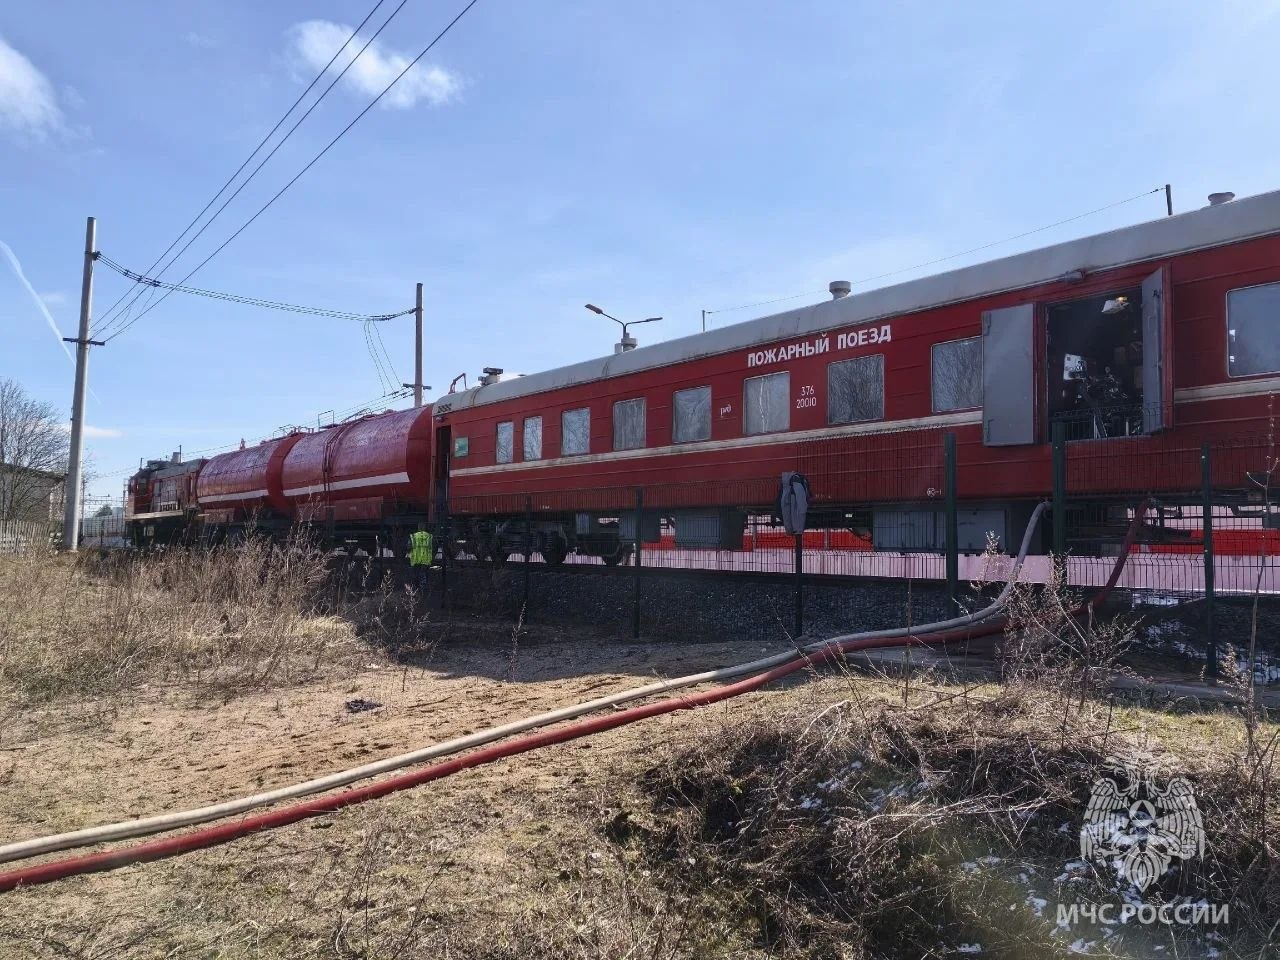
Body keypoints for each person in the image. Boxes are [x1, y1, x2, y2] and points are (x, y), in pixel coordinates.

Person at [408, 523, 435, 594]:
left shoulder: (413, 536)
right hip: (426, 560)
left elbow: (408, 547)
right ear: (425, 528)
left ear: (418, 528)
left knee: (415, 575)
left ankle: (415, 591)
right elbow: (434, 548)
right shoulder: (429, 536)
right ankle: (423, 590)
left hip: (415, 560)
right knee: (423, 574)